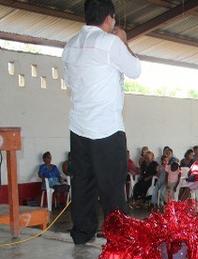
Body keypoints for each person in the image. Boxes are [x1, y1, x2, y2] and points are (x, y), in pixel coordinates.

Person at [63, 0, 141, 244]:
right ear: (110, 18)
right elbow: (135, 70)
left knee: (82, 183)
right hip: (106, 128)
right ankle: (118, 239)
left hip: (79, 126)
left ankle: (82, 234)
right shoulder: (110, 43)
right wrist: (124, 41)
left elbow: (68, 80)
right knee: (112, 187)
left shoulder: (71, 45)